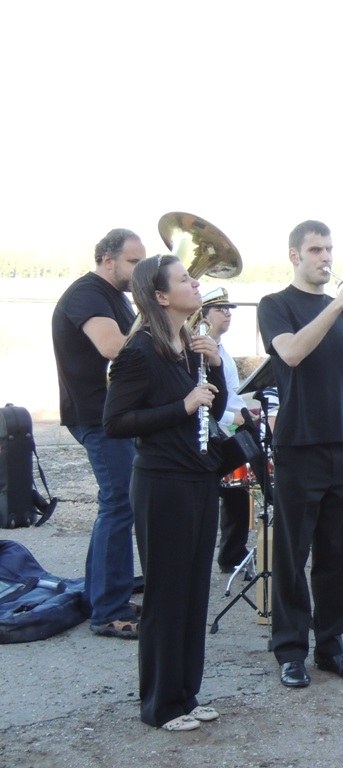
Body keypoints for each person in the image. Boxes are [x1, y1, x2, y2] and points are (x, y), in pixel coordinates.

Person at [257, 220, 343, 689]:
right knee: (293, 557)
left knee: (337, 554)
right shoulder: (276, 305)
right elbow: (291, 353)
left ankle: (331, 646)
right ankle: (291, 650)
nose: (325, 257)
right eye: (315, 250)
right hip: (299, 444)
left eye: (329, 249)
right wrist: (336, 305)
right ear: (295, 255)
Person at [103, 254, 227, 731]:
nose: (196, 284)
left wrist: (215, 367)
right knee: (166, 596)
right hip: (162, 485)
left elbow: (212, 411)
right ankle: (160, 705)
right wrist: (182, 405)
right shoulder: (139, 351)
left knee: (193, 593)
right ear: (160, 296)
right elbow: (115, 422)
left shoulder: (190, 346)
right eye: (185, 280)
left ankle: (185, 695)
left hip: (198, 479)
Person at [51, 228, 145, 639]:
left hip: (113, 415)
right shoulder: (87, 294)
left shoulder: (117, 298)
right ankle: (108, 611)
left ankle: (101, 595)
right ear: (108, 260)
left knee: (118, 503)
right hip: (97, 416)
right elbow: (113, 347)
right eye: (134, 262)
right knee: (120, 503)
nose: (140, 269)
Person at [200, 288, 251, 574]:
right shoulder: (202, 351)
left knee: (237, 493)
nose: (228, 314)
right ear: (204, 316)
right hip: (218, 432)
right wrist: (236, 418)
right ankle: (227, 554)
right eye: (220, 309)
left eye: (229, 309)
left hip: (232, 427)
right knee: (224, 494)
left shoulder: (222, 350)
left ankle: (233, 554)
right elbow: (209, 402)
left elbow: (230, 393)